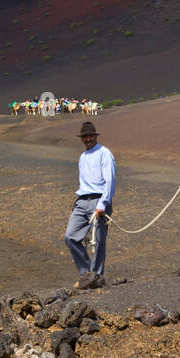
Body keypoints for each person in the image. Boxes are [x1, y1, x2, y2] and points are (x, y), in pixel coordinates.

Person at [63, 121, 116, 289]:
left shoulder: (104, 153)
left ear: (95, 136)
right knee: (71, 236)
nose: (88, 139)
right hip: (82, 200)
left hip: (99, 201)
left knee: (99, 241)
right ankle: (86, 274)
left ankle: (96, 276)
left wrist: (102, 203)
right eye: (84, 137)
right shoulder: (83, 156)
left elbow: (110, 180)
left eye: (90, 136)